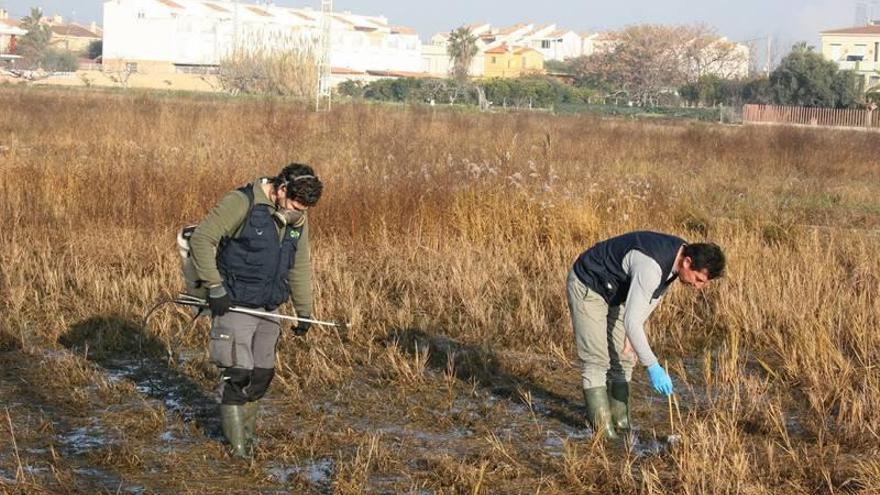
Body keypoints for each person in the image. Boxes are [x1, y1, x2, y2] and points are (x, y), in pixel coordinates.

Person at [189, 163, 323, 458]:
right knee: (238, 374)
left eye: (305, 209)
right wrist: (215, 288)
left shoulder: (298, 217)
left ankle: (248, 441)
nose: (299, 212)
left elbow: (299, 265)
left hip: (270, 307)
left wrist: (304, 311)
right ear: (281, 188)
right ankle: (239, 454)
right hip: (233, 303)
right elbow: (202, 239)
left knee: (261, 375)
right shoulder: (242, 202)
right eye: (295, 204)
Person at [566, 231, 725, 439]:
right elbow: (632, 319)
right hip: (588, 284)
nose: (698, 287)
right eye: (699, 279)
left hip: (617, 291)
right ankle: (604, 433)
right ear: (687, 262)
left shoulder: (677, 258)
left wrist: (633, 331)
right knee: (597, 360)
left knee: (624, 359)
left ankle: (622, 425)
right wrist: (652, 365)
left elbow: (651, 298)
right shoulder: (651, 266)